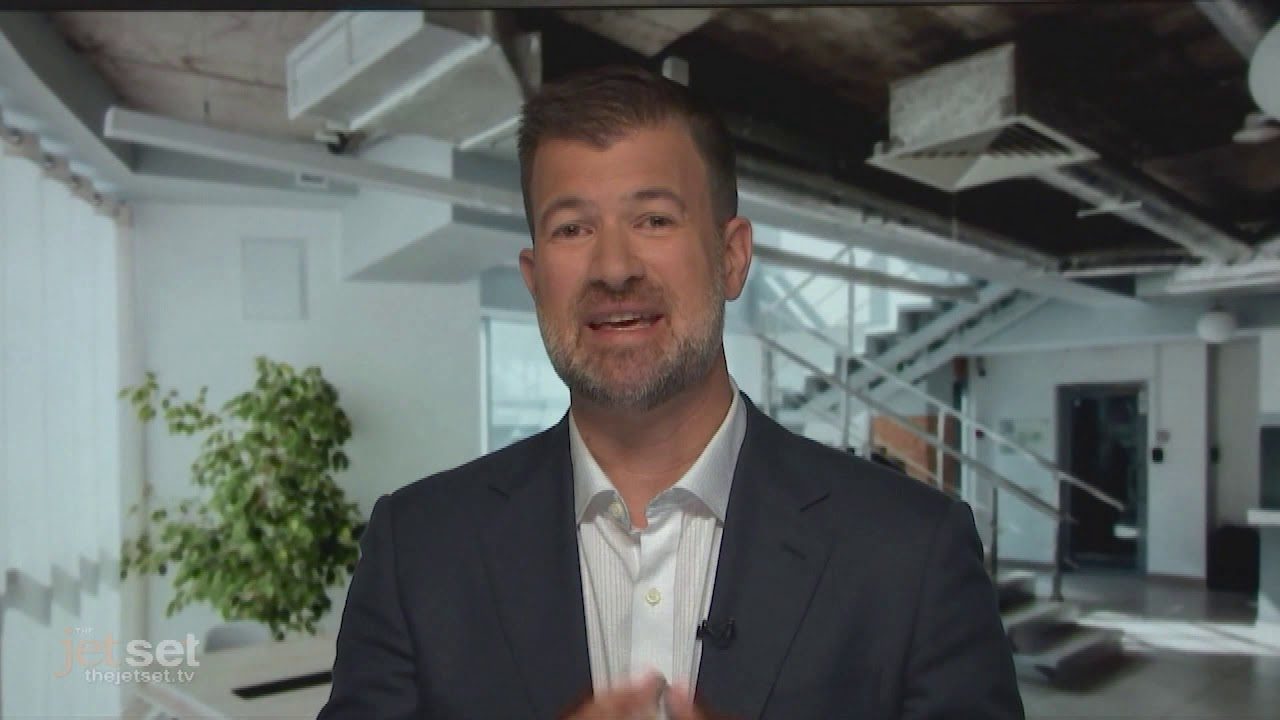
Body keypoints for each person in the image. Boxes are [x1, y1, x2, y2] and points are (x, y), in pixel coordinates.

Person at [318, 65, 1024, 720]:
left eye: (654, 219)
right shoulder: (418, 550)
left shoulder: (911, 552)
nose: (613, 267)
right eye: (572, 228)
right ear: (534, 280)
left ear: (732, 258)